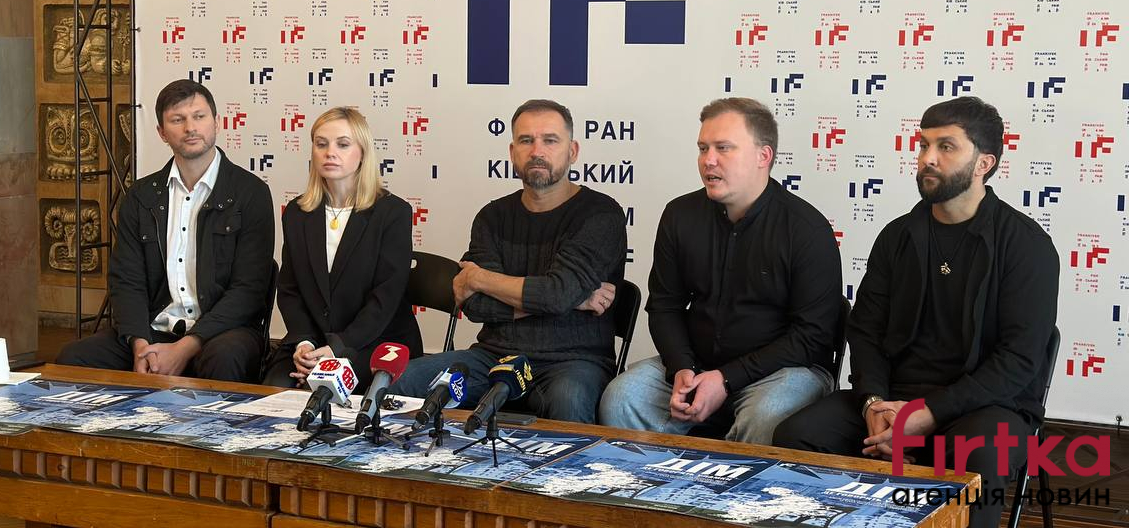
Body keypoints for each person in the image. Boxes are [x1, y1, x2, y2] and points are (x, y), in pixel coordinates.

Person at [773, 97, 1059, 528]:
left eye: (946, 147)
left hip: (984, 406)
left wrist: (928, 414)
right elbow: (865, 331)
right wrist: (874, 405)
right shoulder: (897, 237)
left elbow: (1018, 361)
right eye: (924, 145)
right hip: (892, 397)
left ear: (984, 163)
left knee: (981, 457)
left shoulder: (1026, 246)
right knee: (796, 437)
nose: (928, 158)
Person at [600, 97, 839, 445]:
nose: (708, 160)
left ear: (763, 156)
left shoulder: (806, 229)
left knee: (767, 417)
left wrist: (726, 379)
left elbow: (812, 336)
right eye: (703, 148)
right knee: (621, 398)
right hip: (697, 364)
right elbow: (665, 306)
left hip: (781, 372)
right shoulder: (679, 215)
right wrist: (681, 367)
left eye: (723, 148)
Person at [390, 99, 626, 423]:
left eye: (550, 140)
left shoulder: (601, 215)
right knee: (406, 380)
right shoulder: (492, 217)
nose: (537, 151)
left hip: (572, 363)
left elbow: (556, 295)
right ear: (513, 152)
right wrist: (574, 300)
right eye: (526, 140)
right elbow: (475, 306)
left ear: (573, 151)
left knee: (569, 400)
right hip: (493, 357)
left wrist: (480, 279)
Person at [58, 79, 274, 382]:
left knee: (224, 358)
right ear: (161, 132)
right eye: (177, 119)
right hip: (154, 329)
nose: (190, 128)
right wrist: (140, 346)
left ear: (217, 122)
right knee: (74, 359)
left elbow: (249, 291)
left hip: (223, 332)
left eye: (199, 116)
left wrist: (185, 348)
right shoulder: (141, 197)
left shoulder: (250, 193)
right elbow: (127, 281)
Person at [264, 107, 422, 387]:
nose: (330, 153)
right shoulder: (297, 213)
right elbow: (289, 290)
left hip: (373, 344)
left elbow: (385, 299)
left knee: (324, 386)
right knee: (275, 389)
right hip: (312, 342)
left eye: (343, 144)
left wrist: (337, 348)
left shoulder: (393, 213)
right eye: (321, 144)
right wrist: (304, 343)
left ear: (362, 153)